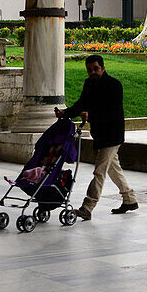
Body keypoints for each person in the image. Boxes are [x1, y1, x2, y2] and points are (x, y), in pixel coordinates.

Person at [54, 54, 136, 220]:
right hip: (100, 134)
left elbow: (111, 112)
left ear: (103, 68)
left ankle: (87, 207)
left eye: (96, 69)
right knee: (113, 168)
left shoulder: (114, 85)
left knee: (99, 171)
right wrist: (66, 113)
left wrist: (89, 116)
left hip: (112, 135)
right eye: (90, 69)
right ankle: (130, 200)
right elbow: (81, 103)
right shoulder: (89, 83)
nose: (93, 72)